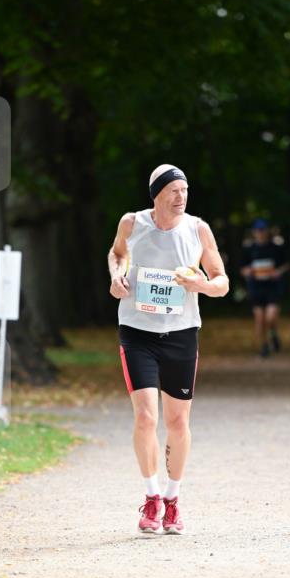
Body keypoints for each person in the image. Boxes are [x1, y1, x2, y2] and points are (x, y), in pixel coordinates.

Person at [108, 164, 229, 536]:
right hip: (137, 331)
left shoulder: (197, 229)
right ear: (157, 194)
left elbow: (222, 282)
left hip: (180, 333)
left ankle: (173, 501)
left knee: (177, 422)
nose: (181, 197)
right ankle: (151, 496)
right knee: (146, 417)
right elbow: (116, 254)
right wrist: (116, 276)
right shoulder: (132, 223)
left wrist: (201, 284)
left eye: (185, 190)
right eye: (174, 190)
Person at [240, 219, 290, 357]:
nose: (260, 233)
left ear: (267, 231)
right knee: (259, 318)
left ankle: (273, 332)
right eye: (258, 230)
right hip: (256, 288)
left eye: (263, 230)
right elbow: (242, 269)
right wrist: (247, 272)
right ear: (254, 232)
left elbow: (286, 264)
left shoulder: (276, 247)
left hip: (272, 288)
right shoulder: (249, 249)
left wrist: (278, 272)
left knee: (270, 316)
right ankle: (264, 345)